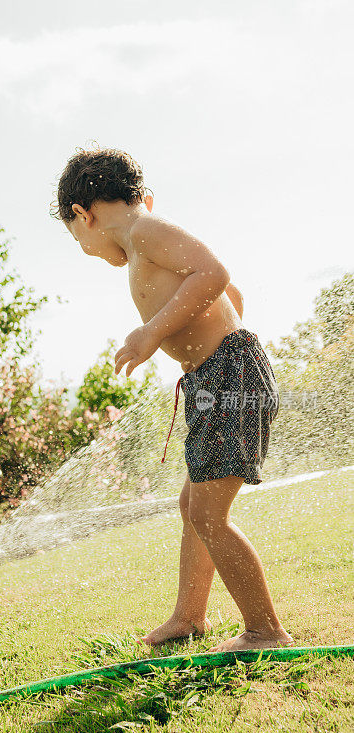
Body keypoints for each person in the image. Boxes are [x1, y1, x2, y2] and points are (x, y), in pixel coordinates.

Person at [51, 145, 294, 653]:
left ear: (84, 214)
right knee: (192, 506)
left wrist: (151, 333)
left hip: (230, 377)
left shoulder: (146, 232)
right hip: (216, 378)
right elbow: (233, 295)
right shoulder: (145, 244)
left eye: (77, 239)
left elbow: (216, 274)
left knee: (209, 515)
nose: (83, 248)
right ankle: (189, 616)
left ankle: (265, 631)